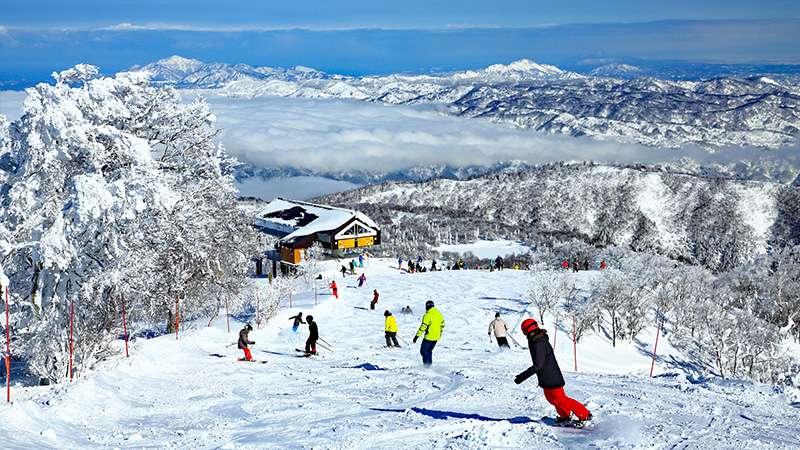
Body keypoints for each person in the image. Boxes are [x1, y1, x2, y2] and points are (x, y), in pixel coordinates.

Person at [514, 318, 592, 427]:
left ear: (527, 330)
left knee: (562, 400)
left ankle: (585, 415)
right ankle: (565, 416)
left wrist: (521, 377)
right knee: (552, 399)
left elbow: (537, 365)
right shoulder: (535, 340)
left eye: (524, 332)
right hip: (546, 377)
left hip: (552, 377)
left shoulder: (539, 343)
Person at [413, 300, 445, 366]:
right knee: (429, 350)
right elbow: (443, 324)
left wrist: (416, 336)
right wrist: (440, 331)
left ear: (427, 306)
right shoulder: (439, 314)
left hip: (429, 336)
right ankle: (429, 364)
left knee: (423, 351)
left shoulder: (427, 315)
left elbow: (423, 327)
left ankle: (427, 365)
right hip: (436, 337)